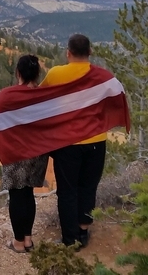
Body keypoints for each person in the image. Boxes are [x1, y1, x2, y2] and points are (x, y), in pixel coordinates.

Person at [41, 34, 107, 248]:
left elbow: (40, 99)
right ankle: (83, 232)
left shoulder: (55, 73)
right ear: (90, 52)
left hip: (67, 142)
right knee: (88, 186)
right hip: (96, 140)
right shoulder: (103, 76)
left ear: (67, 53)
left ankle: (70, 240)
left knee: (67, 191)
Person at [0, 54, 48, 253]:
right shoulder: (44, 95)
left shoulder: (7, 95)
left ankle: (18, 242)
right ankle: (28, 239)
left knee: (16, 194)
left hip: (16, 152)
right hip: (38, 152)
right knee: (28, 192)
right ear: (37, 74)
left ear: (18, 73)